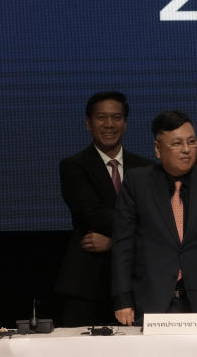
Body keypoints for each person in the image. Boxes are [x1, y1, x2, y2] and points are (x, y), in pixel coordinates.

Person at [111, 111, 197, 325]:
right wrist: (122, 299)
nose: (186, 150)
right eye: (176, 143)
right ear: (157, 148)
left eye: (191, 142)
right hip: (152, 299)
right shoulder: (137, 182)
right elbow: (123, 244)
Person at [55, 91, 152, 327]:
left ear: (125, 122)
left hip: (137, 283)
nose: (109, 124)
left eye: (116, 117)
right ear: (88, 123)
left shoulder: (146, 168)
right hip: (88, 283)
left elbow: (156, 220)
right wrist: (140, 227)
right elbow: (93, 215)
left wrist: (113, 243)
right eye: (101, 118)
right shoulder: (73, 166)